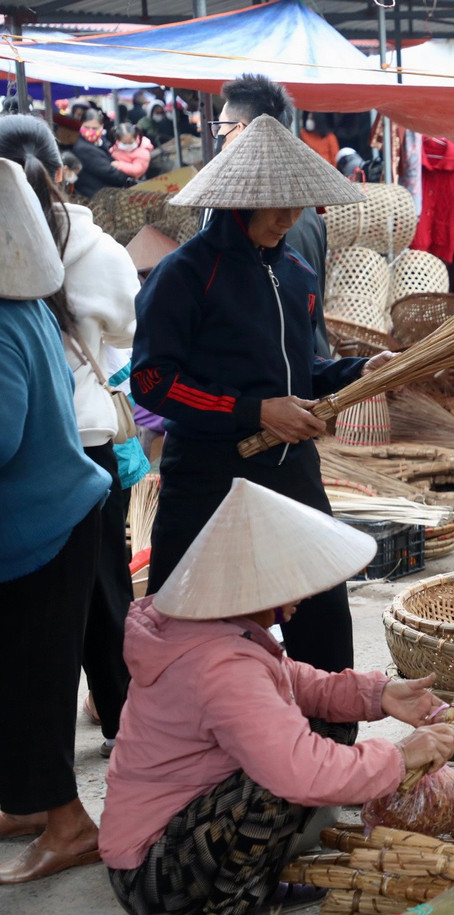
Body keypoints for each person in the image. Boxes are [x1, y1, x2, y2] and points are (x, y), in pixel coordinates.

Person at [102, 479, 454, 915]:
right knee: (277, 784)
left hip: (176, 842)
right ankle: (225, 910)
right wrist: (400, 757)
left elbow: (297, 683)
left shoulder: (212, 631)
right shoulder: (218, 664)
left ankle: (258, 879)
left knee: (330, 722)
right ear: (255, 588)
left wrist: (378, 695)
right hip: (157, 877)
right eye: (291, 582)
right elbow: (299, 772)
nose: (303, 595)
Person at [131, 115, 387, 683]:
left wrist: (358, 371)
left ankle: (330, 752)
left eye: (296, 204)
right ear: (236, 201)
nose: (288, 219)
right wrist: (252, 411)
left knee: (322, 624)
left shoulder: (296, 273)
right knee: (185, 628)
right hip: (208, 482)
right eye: (274, 205)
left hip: (293, 477)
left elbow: (302, 370)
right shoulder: (183, 275)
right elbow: (151, 382)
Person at [0, 115, 142, 759]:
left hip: (28, 451)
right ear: (62, 171)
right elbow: (122, 339)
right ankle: (124, 723)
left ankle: (39, 766)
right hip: (88, 437)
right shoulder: (102, 250)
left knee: (39, 618)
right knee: (105, 591)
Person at [0, 158, 112, 883]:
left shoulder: (5, 318)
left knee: (31, 686)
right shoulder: (28, 301)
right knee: (21, 681)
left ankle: (69, 824)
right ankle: (27, 802)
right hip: (48, 523)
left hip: (43, 529)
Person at [208, 74, 332, 356]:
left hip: (288, 372)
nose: (218, 139)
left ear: (241, 131)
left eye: (221, 129)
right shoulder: (302, 204)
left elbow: (278, 314)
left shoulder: (269, 215)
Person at [70, 113, 135, 198]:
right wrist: (128, 177)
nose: (90, 131)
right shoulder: (83, 148)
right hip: (95, 196)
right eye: (86, 127)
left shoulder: (101, 142)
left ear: (101, 127)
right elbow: (108, 172)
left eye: (94, 128)